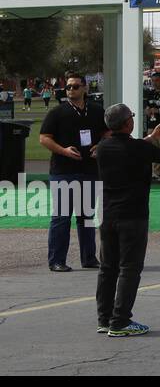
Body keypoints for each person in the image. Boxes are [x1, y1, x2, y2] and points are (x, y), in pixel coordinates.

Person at [94, 102, 160, 336]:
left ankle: (105, 318)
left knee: (108, 268)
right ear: (128, 123)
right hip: (133, 216)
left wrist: (150, 137)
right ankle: (121, 321)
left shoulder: (103, 147)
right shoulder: (138, 149)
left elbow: (130, 147)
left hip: (108, 216)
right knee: (129, 268)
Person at [39, 73, 105, 272]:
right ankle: (56, 260)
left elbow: (108, 133)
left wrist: (100, 146)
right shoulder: (57, 113)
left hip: (89, 170)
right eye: (68, 87)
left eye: (75, 86)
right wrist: (64, 151)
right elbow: (44, 138)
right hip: (63, 172)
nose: (71, 90)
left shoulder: (96, 110)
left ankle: (89, 258)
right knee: (61, 216)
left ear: (84, 88)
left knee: (86, 216)